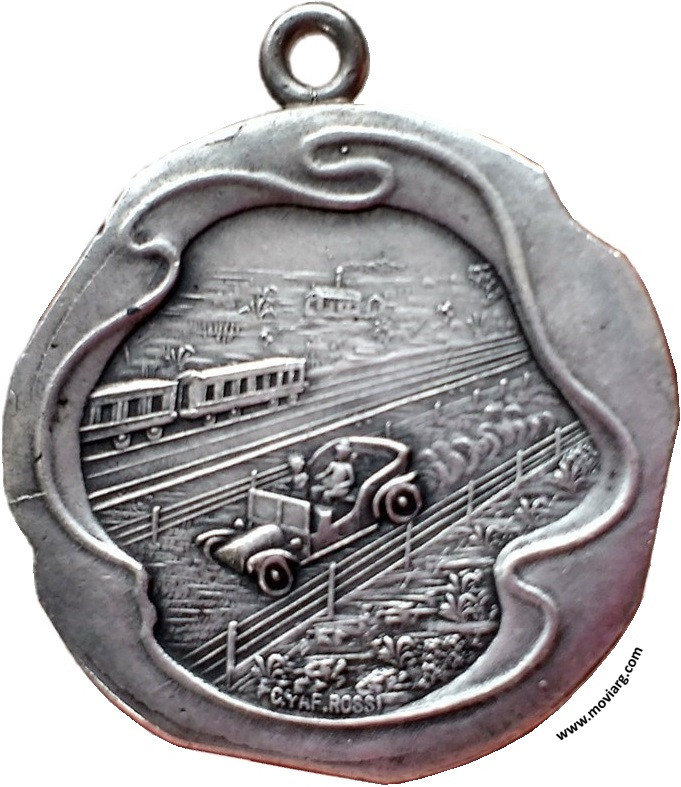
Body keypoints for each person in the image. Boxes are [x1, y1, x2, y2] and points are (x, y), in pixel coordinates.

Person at [312, 439, 355, 504]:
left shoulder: (347, 466)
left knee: (327, 494)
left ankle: (327, 506)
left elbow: (351, 480)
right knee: (314, 490)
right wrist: (320, 476)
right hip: (331, 485)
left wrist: (341, 485)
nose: (339, 455)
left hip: (341, 488)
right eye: (338, 453)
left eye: (341, 453)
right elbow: (326, 473)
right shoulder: (333, 464)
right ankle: (313, 504)